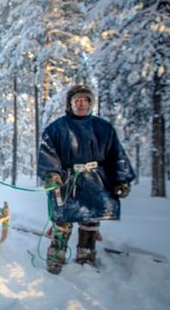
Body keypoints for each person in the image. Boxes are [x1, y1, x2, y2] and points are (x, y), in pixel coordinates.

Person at [37, 84, 136, 274]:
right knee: (62, 221)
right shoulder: (56, 128)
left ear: (90, 103)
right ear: (70, 104)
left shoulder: (103, 128)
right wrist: (52, 174)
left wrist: (120, 180)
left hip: (95, 182)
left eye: (85, 100)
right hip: (66, 182)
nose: (81, 103)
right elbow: (48, 153)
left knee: (90, 221)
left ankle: (86, 258)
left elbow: (116, 155)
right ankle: (56, 259)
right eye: (78, 100)